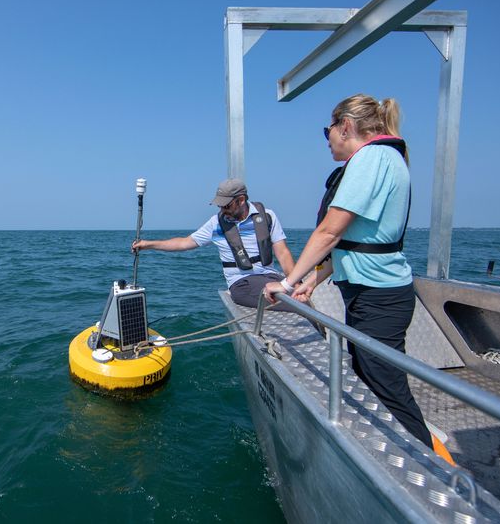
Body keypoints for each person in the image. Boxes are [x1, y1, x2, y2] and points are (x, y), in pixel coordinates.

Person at [263, 94, 434, 449]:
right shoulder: (385, 157)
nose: (327, 140)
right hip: (370, 295)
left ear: (346, 126)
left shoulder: (371, 158)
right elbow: (356, 242)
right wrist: (310, 282)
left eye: (328, 130)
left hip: (379, 299)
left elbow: (330, 232)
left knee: (387, 389)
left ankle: (435, 475)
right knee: (369, 378)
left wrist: (286, 281)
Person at [132, 178, 295, 308]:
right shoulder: (215, 224)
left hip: (270, 276)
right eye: (220, 205)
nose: (222, 210)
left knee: (298, 295)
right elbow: (184, 243)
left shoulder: (267, 216)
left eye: (226, 205)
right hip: (242, 283)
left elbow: (283, 253)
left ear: (241, 200)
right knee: (296, 303)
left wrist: (294, 282)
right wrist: (148, 244)